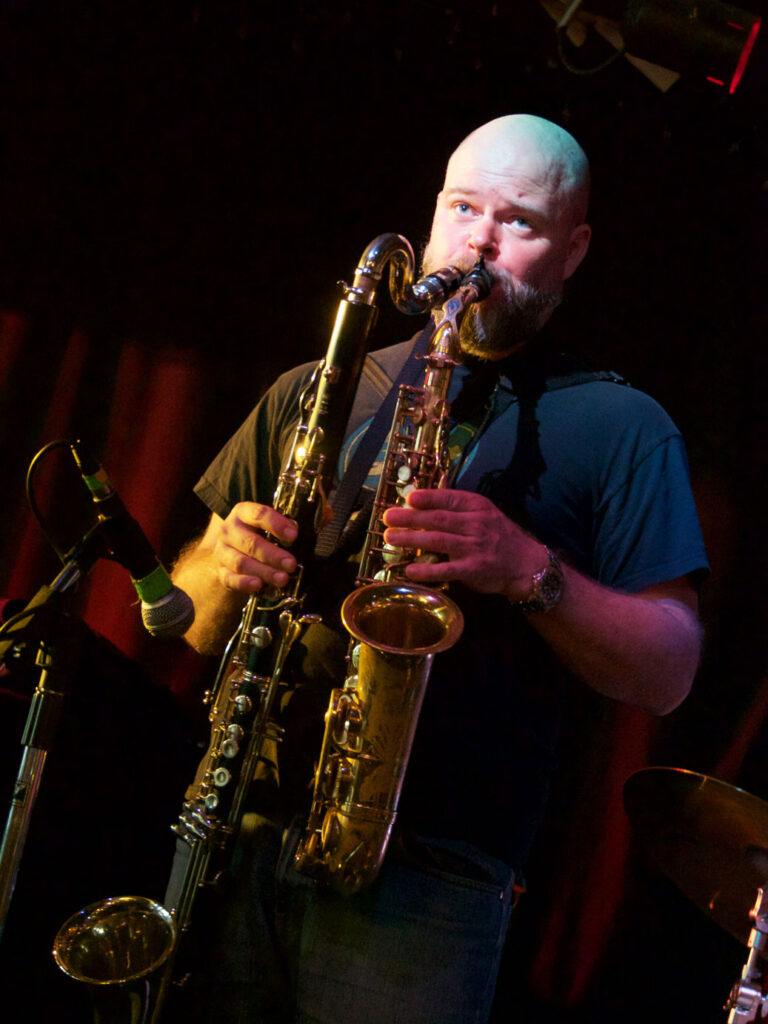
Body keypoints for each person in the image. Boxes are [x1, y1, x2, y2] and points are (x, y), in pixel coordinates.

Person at [167, 114, 707, 1023]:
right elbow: (184, 621)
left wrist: (527, 569)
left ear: (574, 250)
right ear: (430, 217)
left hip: (428, 887)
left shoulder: (624, 427)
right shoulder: (319, 385)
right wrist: (223, 563)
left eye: (519, 221)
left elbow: (670, 669)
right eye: (463, 209)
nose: (480, 243)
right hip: (241, 831)